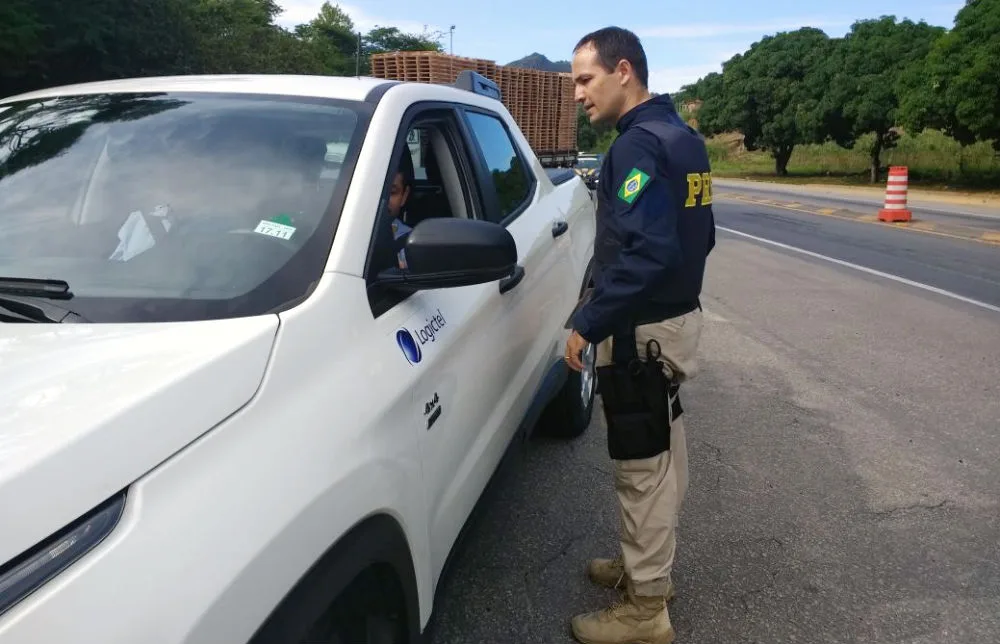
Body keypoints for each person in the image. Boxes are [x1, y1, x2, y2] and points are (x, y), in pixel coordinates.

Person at [563, 26, 716, 644]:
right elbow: (698, 238)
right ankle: (637, 567)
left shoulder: (634, 149)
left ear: (623, 70)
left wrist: (587, 321)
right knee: (662, 454)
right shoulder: (683, 139)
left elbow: (644, 254)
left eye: (584, 79)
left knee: (641, 469)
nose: (578, 94)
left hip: (641, 333)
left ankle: (646, 610)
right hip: (674, 320)